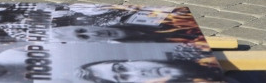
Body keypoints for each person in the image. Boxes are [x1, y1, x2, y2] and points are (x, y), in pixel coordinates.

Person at [75, 58, 221, 83]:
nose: (138, 73)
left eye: (121, 68)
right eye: (124, 79)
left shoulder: (199, 54)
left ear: (129, 60)